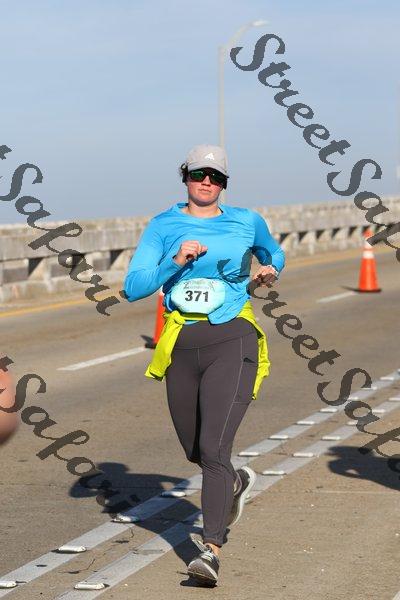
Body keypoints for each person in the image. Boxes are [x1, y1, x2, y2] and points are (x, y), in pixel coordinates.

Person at [123, 144, 285, 586]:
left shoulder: (246, 221)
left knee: (214, 449)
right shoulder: (163, 225)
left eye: (216, 176)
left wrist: (269, 272)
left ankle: (210, 550)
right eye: (199, 174)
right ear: (186, 177)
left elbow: (274, 254)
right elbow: (133, 287)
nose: (207, 182)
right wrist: (176, 261)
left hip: (233, 337)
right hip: (181, 343)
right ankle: (231, 485)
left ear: (225, 183)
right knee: (195, 448)